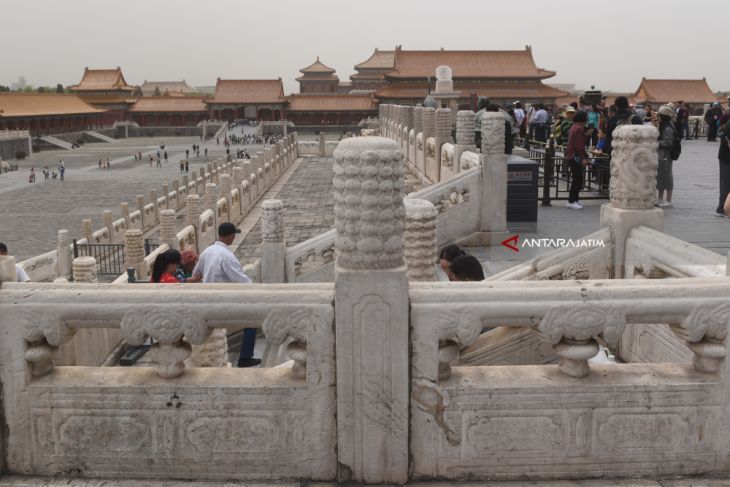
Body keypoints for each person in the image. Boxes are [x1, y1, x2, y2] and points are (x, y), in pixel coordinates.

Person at [192, 223, 260, 367]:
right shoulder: (226, 255)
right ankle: (245, 357)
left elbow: (196, 274)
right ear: (230, 236)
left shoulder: (207, 251)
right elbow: (240, 279)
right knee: (252, 321)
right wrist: (256, 291)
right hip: (222, 299)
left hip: (206, 297)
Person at [565, 110, 590, 209]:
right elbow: (579, 146)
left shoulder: (573, 127)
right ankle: (571, 201)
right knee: (577, 179)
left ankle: (575, 199)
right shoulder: (579, 129)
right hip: (575, 156)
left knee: (577, 178)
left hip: (571, 155)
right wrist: (583, 157)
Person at [655, 105, 677, 208]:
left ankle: (668, 199)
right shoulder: (664, 126)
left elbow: (668, 142)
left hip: (666, 155)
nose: (657, 117)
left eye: (659, 115)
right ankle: (660, 198)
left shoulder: (668, 128)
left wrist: (657, 143)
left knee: (667, 176)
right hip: (661, 154)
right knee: (660, 176)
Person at [716, 121, 730, 217]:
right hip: (726, 158)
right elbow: (725, 139)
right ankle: (721, 208)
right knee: (726, 183)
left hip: (725, 157)